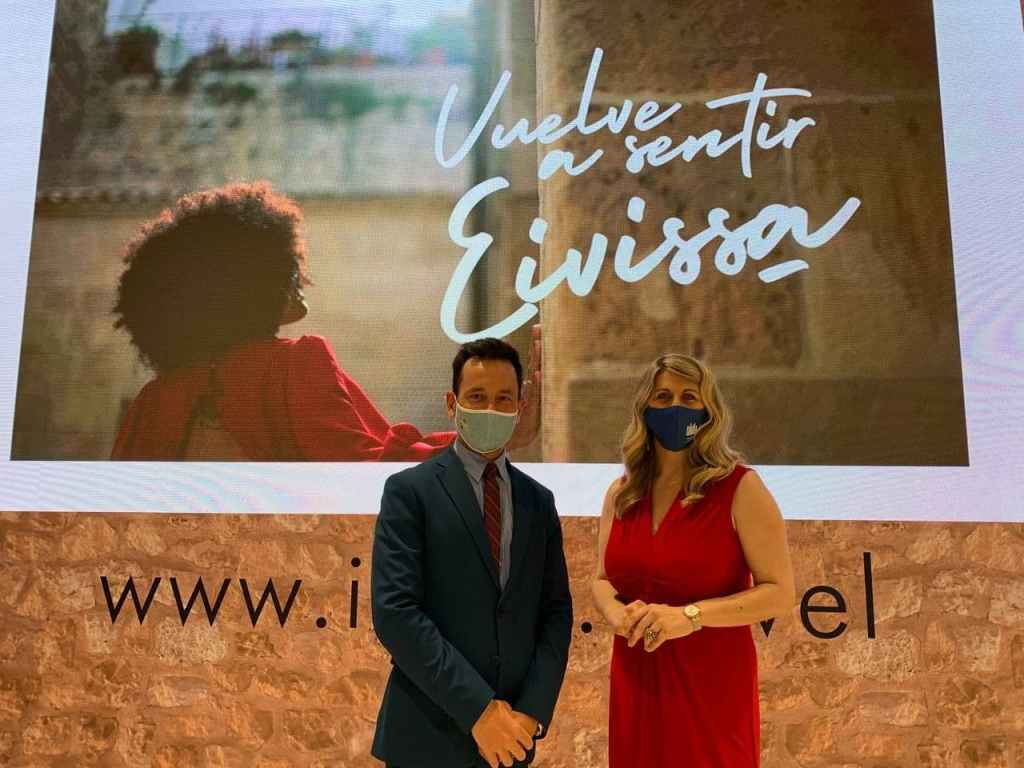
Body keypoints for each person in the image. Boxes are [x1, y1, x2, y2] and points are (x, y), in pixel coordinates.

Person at [108, 182, 540, 460]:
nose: (301, 279)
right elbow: (367, 471)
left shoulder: (152, 402)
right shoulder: (294, 363)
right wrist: (492, 438)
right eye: (289, 270)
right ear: (250, 284)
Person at [371, 338, 572, 768]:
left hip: (511, 742)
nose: (490, 410)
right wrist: (479, 711)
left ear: (519, 408)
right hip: (425, 739)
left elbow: (555, 613)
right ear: (452, 404)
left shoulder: (539, 502)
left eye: (504, 399)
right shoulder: (409, 492)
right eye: (477, 397)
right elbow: (395, 613)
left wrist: (531, 713)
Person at [591, 354, 795, 768]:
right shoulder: (622, 493)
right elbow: (601, 579)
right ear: (645, 409)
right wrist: (615, 613)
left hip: (711, 690)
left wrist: (690, 616)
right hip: (635, 680)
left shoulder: (740, 488)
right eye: (663, 397)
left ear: (709, 411)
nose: (675, 407)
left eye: (689, 397)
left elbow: (779, 593)